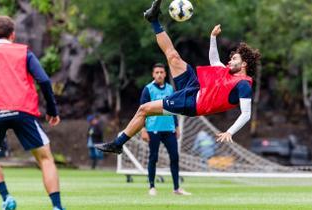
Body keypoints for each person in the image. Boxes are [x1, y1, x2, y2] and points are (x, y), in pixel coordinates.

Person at [95, 0, 261, 154]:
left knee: (144, 109)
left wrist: (230, 131)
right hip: (195, 87)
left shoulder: (243, 85)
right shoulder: (227, 72)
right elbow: (214, 60)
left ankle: (118, 144)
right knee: (173, 56)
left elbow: (246, 114)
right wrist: (212, 38)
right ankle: (153, 19)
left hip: (191, 103)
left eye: (234, 59)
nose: (230, 61)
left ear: (244, 64)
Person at [0, 16, 65, 210]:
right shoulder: (24, 51)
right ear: (13, 35)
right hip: (23, 110)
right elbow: (43, 80)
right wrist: (52, 110)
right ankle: (57, 206)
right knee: (45, 158)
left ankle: (6, 197)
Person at [140, 63, 190, 196]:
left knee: (174, 157)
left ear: (165, 74)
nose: (159, 75)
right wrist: (143, 129)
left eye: (161, 72)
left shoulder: (170, 89)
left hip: (169, 129)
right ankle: (152, 187)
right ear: (153, 74)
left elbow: (173, 110)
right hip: (153, 129)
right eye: (157, 72)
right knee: (153, 157)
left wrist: (177, 126)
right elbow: (142, 111)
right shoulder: (148, 89)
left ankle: (176, 188)